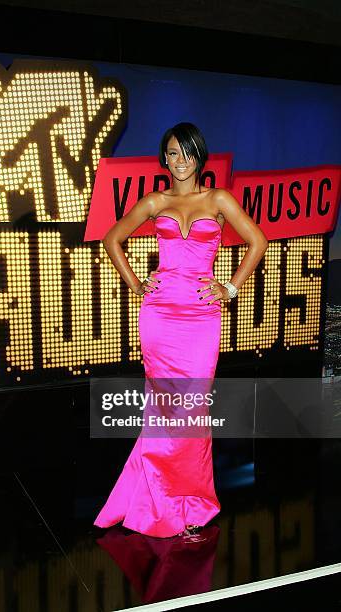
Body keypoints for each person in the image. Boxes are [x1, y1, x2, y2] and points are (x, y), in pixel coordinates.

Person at [93, 122, 268, 540]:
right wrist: (137, 284)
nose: (181, 160)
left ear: (199, 157)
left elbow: (257, 240)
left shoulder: (218, 198)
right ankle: (162, 498)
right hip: (159, 316)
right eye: (173, 152)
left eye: (188, 152)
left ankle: (189, 499)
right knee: (165, 410)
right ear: (164, 158)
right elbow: (112, 237)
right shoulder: (155, 201)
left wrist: (230, 286)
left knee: (192, 410)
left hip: (202, 317)